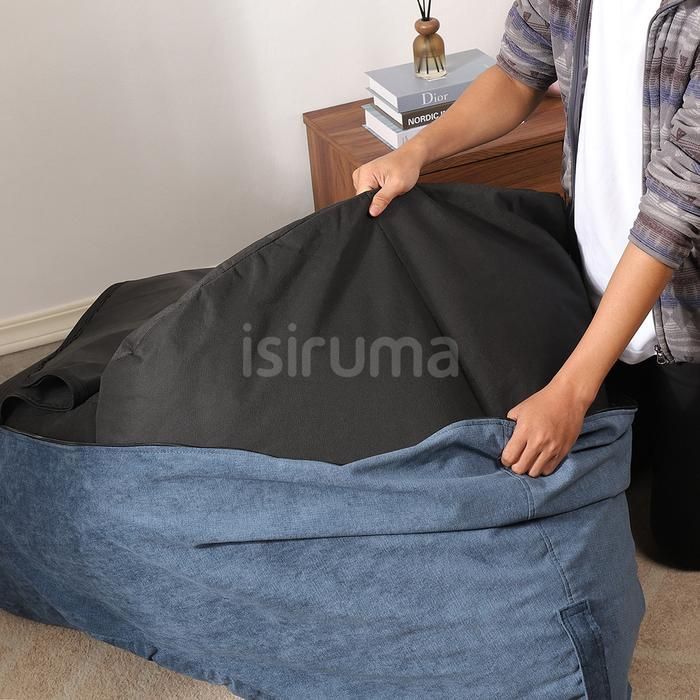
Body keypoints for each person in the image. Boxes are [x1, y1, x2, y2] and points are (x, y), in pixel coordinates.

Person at [353, 0, 700, 569]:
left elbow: (675, 213)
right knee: (601, 489)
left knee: (679, 547)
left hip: (686, 317)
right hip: (593, 283)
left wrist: (572, 393)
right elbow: (517, 76)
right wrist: (416, 151)